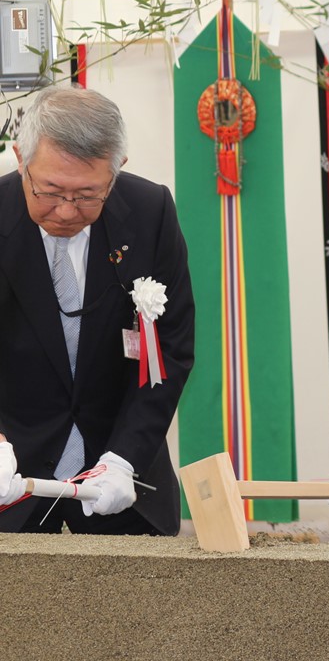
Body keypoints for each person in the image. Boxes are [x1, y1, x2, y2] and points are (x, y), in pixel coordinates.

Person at [0, 85, 195, 535]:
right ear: (20, 158)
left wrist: (123, 458)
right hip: (12, 478)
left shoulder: (151, 212)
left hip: (119, 480)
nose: (67, 210)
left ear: (116, 171)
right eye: (49, 190)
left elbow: (172, 348)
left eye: (88, 194)